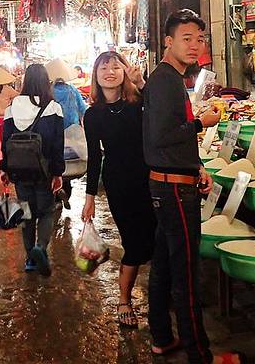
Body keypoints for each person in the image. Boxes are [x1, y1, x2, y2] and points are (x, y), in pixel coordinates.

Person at [143, 10, 242, 364]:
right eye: (186, 38)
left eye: (200, 39)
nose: (195, 45)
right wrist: (202, 122)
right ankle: (200, 355)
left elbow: (168, 139)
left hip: (170, 183)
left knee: (165, 266)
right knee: (186, 272)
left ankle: (161, 337)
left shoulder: (170, 78)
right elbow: (162, 136)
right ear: (168, 41)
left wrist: (196, 166)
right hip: (173, 191)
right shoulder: (166, 81)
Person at [81, 52, 155, 328]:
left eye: (116, 67)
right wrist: (89, 198)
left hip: (150, 179)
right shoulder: (92, 115)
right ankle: (124, 300)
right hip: (118, 185)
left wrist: (142, 83)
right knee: (133, 243)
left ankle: (161, 295)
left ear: (125, 73)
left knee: (157, 239)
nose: (110, 72)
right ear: (96, 75)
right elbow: (94, 157)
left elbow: (163, 111)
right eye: (104, 67)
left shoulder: (138, 104)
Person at [0, 64, 65, 276]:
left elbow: (5, 142)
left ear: (25, 81)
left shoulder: (11, 108)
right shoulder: (53, 108)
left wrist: (4, 169)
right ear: (46, 82)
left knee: (26, 213)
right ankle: (40, 248)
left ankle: (30, 259)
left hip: (19, 171)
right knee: (45, 212)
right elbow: (57, 145)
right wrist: (58, 173)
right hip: (44, 171)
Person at [45, 58, 87, 209]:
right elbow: (83, 109)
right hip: (71, 131)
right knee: (68, 165)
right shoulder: (72, 90)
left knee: (54, 163)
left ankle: (56, 195)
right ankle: (66, 191)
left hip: (52, 132)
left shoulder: (48, 91)